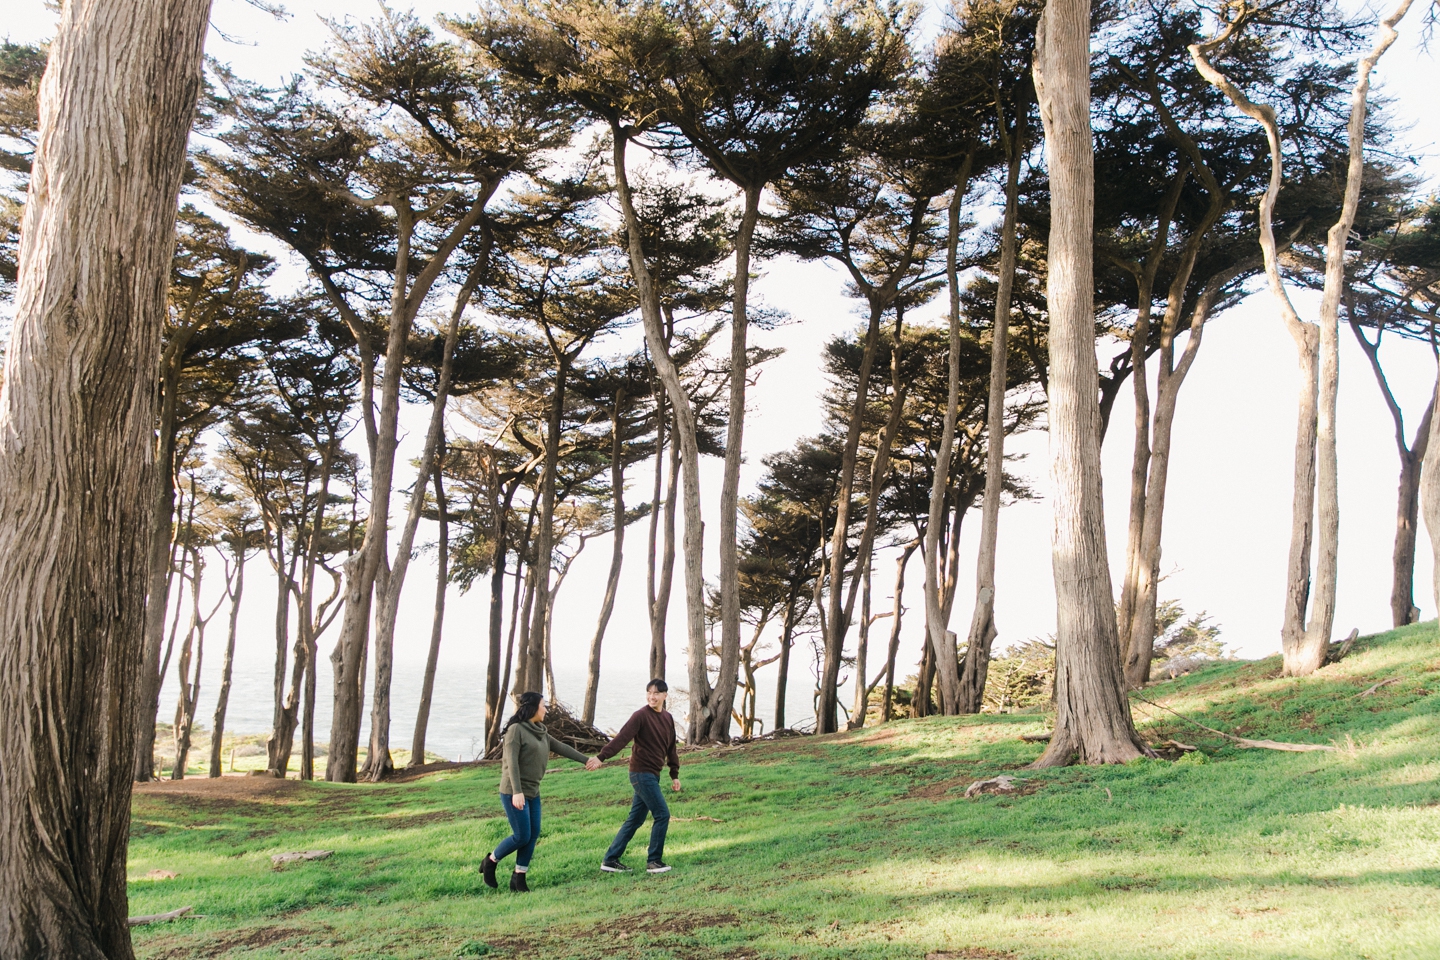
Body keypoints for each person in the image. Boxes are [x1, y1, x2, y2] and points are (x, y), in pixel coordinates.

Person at [481, 692, 596, 892]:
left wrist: (587, 760)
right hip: (513, 791)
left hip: (533, 791)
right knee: (521, 836)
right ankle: (491, 861)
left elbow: (561, 747)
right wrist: (517, 792)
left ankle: (519, 878)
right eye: (543, 705)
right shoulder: (515, 730)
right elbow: (512, 764)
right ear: (533, 708)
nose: (546, 709)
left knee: (533, 834)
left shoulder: (540, 730)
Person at [591, 678, 681, 874]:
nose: (652, 696)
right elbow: (622, 738)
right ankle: (654, 861)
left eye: (656, 693)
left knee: (635, 820)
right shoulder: (640, 715)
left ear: (665, 695)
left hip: (653, 774)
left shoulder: (667, 718)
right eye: (649, 692)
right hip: (641, 773)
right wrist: (601, 757)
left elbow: (671, 748)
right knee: (662, 814)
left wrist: (674, 774)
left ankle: (610, 860)